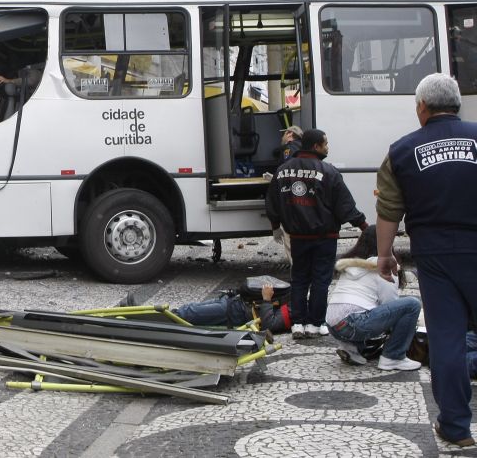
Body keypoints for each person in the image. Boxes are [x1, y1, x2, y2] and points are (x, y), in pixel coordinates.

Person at [375, 73, 477, 448]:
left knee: (448, 340)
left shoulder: (402, 151)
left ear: (421, 108)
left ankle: (456, 429)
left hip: (435, 255)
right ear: (458, 104)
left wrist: (385, 255)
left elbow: (388, 208)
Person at [266, 128, 367, 340]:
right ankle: (316, 323)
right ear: (316, 146)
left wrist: (276, 225)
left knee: (299, 279)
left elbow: (272, 203)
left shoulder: (282, 171)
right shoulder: (329, 172)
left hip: (298, 238)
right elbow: (346, 206)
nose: (327, 147)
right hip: (324, 238)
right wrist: (365, 227)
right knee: (321, 280)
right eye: (325, 144)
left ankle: (298, 324)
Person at [325, 227, 422, 370]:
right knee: (412, 305)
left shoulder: (352, 264)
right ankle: (393, 356)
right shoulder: (385, 265)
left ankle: (353, 348)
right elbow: (391, 304)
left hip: (332, 324)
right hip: (353, 323)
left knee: (368, 310)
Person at [119, 281, 291, 335]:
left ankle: (138, 316)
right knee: (187, 311)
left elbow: (271, 324)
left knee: (187, 314)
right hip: (235, 303)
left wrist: (266, 299)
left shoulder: (297, 308)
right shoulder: (299, 297)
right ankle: (139, 313)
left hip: (236, 313)